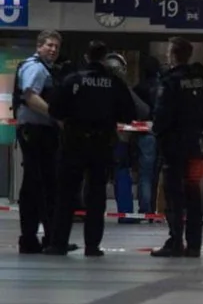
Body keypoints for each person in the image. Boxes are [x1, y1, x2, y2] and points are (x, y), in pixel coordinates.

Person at [44, 41, 137, 256]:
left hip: (73, 142)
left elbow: (54, 109)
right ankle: (92, 245)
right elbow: (129, 114)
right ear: (104, 58)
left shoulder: (72, 80)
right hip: (101, 144)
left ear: (86, 57)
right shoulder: (114, 82)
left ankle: (58, 243)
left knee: (66, 194)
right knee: (96, 196)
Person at [151, 38, 203, 258]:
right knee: (193, 194)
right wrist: (200, 126)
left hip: (173, 147)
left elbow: (161, 116)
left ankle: (175, 241)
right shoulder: (200, 80)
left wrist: (159, 134)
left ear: (172, 54)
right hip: (193, 146)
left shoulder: (170, 81)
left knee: (174, 196)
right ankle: (194, 244)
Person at [11, 30, 67, 254]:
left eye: (56, 47)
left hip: (40, 132)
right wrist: (57, 117)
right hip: (35, 132)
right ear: (39, 46)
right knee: (37, 185)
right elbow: (30, 96)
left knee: (41, 184)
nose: (53, 50)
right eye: (49, 45)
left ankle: (44, 237)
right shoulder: (35, 67)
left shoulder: (46, 68)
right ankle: (32, 237)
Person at [105, 53, 150, 222]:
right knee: (121, 173)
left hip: (95, 139)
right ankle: (125, 214)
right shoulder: (122, 89)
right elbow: (143, 110)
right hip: (118, 140)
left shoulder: (97, 86)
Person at [133, 56, 162, 216]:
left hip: (145, 133)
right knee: (161, 173)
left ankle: (145, 209)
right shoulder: (163, 86)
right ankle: (159, 208)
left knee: (145, 173)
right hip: (162, 132)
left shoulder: (140, 88)